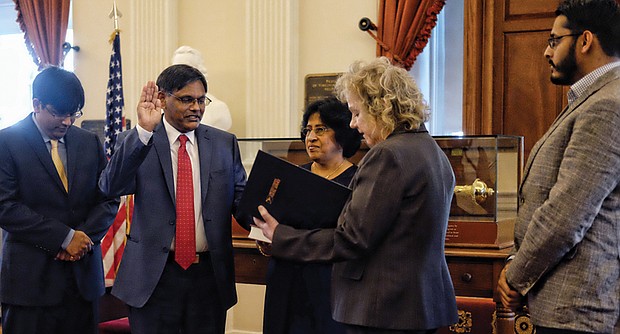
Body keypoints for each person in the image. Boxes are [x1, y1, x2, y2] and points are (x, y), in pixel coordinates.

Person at [254, 57, 458, 334]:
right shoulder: (431, 151)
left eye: (357, 113)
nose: (352, 124)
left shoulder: (388, 155)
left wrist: (281, 236)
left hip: (383, 309)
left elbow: (352, 239)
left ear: (380, 107)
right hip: (419, 306)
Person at [497, 1, 620, 333]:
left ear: (585, 41)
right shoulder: (592, 99)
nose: (546, 52)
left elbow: (566, 215)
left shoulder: (607, 105)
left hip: (578, 309)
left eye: (554, 40)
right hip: (565, 305)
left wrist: (515, 277)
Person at [99, 64, 249, 334]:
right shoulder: (138, 140)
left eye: (201, 100)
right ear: (162, 99)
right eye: (186, 99)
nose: (196, 107)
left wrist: (276, 223)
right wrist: (144, 130)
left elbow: (242, 201)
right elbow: (110, 186)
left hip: (208, 279)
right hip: (153, 280)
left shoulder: (223, 143)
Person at [0, 66, 119, 333]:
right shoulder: (6, 142)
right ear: (36, 104)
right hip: (30, 286)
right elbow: (5, 207)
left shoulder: (88, 142)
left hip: (82, 284)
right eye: (58, 113)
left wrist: (82, 239)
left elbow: (108, 198)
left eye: (73, 114)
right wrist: (64, 237)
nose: (66, 121)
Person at [260, 96, 361, 334]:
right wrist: (264, 239)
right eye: (307, 130)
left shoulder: (357, 181)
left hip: (328, 284)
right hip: (284, 280)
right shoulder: (292, 176)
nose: (311, 137)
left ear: (342, 132)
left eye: (321, 129)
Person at [171, 46, 233, 131]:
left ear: (199, 71)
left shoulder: (218, 109)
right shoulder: (164, 107)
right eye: (175, 70)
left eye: (186, 70)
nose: (179, 75)